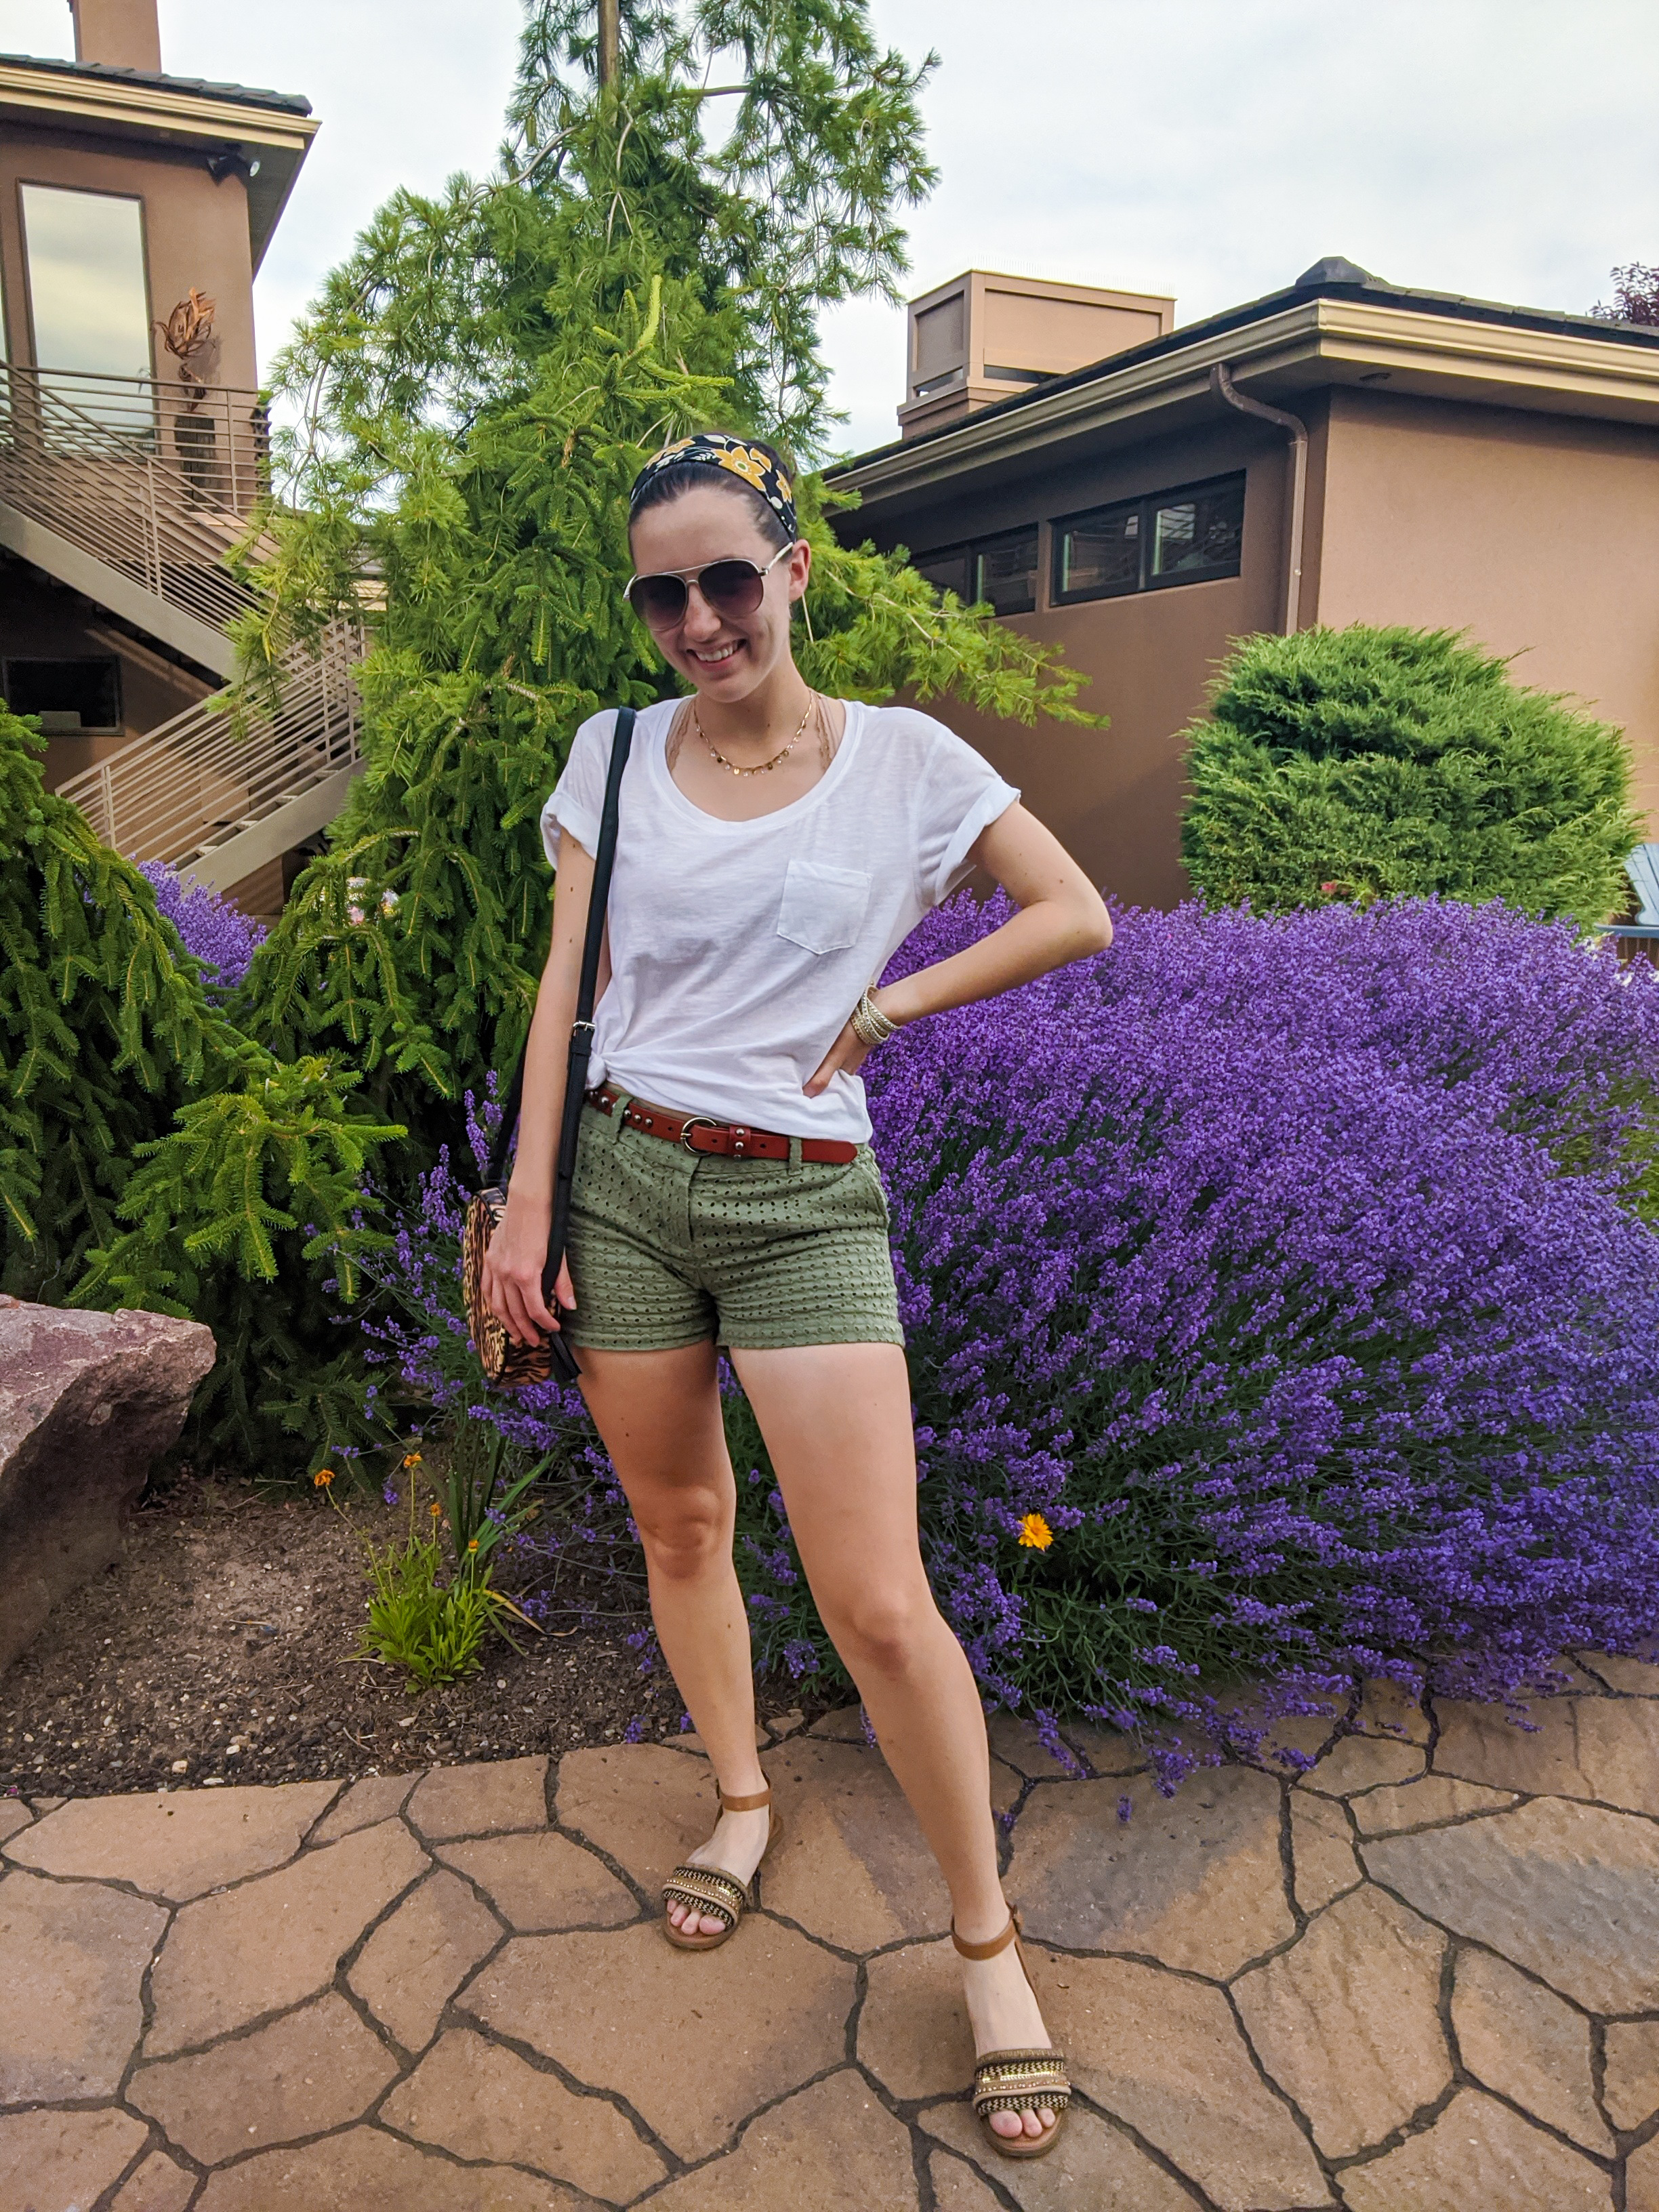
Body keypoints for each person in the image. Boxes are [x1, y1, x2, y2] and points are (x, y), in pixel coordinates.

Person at [482, 430, 1110, 2160]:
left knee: (883, 1604)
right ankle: (745, 1801)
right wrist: (529, 1205)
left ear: (795, 569)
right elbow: (569, 985)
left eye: (727, 579)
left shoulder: (906, 761)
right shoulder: (610, 756)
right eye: (662, 591)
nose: (698, 619)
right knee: (681, 1529)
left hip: (802, 1208)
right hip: (621, 1181)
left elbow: (1074, 914)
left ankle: (987, 1950)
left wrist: (893, 1013)